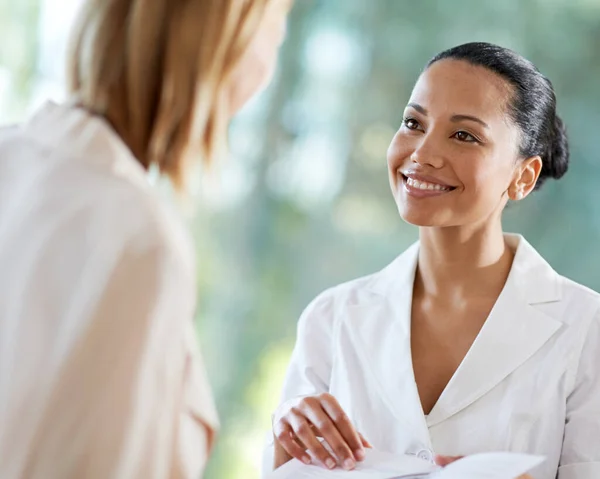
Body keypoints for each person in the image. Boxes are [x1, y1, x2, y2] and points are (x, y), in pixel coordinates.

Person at [264, 42, 600, 479]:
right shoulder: (332, 318)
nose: (422, 153)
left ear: (523, 176)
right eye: (413, 123)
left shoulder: (587, 330)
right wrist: (284, 440)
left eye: (464, 135)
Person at [0, 0, 293, 478]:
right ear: (218, 42)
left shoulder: (12, 155)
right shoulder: (139, 241)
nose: (268, 65)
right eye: (275, 32)